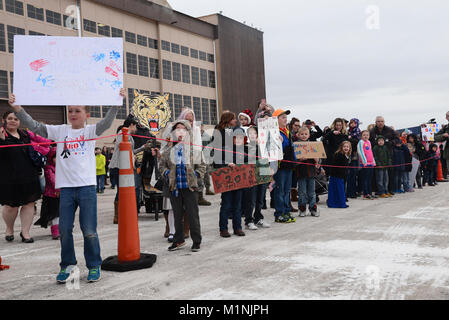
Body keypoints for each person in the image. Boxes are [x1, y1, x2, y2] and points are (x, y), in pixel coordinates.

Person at [8, 88, 126, 283]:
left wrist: (116, 102)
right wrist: (18, 109)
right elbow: (36, 126)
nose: (72, 114)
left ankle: (94, 265)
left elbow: (106, 123)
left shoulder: (90, 131)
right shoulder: (60, 130)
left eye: (77, 111)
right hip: (67, 190)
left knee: (89, 230)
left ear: (86, 115)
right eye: (70, 110)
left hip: (87, 188)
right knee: (64, 230)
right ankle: (68, 265)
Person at [159, 120, 205, 252]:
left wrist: (196, 175)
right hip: (175, 188)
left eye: (183, 129)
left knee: (192, 215)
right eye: (177, 129)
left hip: (190, 187)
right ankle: (178, 240)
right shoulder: (168, 150)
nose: (180, 131)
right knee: (177, 215)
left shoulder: (194, 149)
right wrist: (167, 173)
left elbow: (202, 165)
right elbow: (162, 165)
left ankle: (196, 240)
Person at [0, 111, 42, 243]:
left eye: (16, 119)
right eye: (10, 118)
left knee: (29, 204)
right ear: (4, 120)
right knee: (10, 206)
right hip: (8, 178)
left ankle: (25, 233)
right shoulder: (1, 135)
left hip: (29, 175)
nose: (13, 121)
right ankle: (9, 228)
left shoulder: (25, 134)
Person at [212, 112, 247, 237]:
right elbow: (216, 156)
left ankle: (238, 227)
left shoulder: (234, 134)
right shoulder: (218, 133)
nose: (235, 121)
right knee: (226, 202)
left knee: (238, 202)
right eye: (233, 119)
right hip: (225, 173)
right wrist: (227, 164)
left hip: (237, 172)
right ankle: (223, 229)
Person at [109, 117, 148, 224]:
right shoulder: (122, 133)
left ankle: (120, 214)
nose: (136, 128)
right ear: (131, 125)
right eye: (135, 126)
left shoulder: (128, 135)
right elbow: (122, 146)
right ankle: (117, 215)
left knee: (123, 190)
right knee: (121, 190)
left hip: (124, 166)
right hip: (118, 166)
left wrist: (143, 147)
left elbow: (130, 151)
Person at [178, 108, 211, 206]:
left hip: (194, 156)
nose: (189, 123)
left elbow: (197, 144)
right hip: (181, 158)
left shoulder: (196, 129)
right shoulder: (177, 129)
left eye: (191, 120)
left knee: (198, 176)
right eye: (187, 120)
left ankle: (199, 196)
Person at [272, 109, 297, 223]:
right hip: (280, 166)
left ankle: (286, 211)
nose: (285, 119)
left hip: (289, 164)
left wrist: (295, 161)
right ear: (275, 120)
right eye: (282, 117)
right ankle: (279, 213)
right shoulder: (273, 132)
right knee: (280, 190)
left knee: (287, 190)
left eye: (285, 117)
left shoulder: (287, 131)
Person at [244, 126, 271, 229]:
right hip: (251, 174)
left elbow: (268, 158)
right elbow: (244, 158)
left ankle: (258, 217)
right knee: (251, 199)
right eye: (250, 133)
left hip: (262, 173)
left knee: (260, 198)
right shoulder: (245, 147)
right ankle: (248, 220)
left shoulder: (263, 146)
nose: (252, 135)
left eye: (254, 133)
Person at [34, 147, 61, 240]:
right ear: (51, 158)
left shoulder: (63, 168)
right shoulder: (49, 168)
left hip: (62, 195)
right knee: (55, 214)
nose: (58, 160)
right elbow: (52, 180)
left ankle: (62, 228)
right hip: (52, 195)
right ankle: (55, 232)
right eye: (55, 157)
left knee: (61, 213)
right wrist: (59, 189)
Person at [295, 127, 319, 217]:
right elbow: (295, 160)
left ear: (309, 135)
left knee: (312, 192)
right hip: (301, 173)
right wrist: (300, 159)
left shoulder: (312, 145)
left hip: (311, 173)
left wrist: (315, 159)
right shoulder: (296, 145)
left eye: (306, 134)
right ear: (298, 135)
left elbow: (317, 159)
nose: (304, 136)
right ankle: (302, 209)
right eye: (302, 134)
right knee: (302, 192)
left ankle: (313, 209)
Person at [327, 141, 351, 208]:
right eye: (344, 146)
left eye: (347, 147)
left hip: (342, 175)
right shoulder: (338, 154)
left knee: (341, 189)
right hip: (336, 175)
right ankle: (338, 203)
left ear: (349, 148)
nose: (346, 148)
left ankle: (340, 202)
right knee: (338, 190)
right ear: (341, 147)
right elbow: (336, 165)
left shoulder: (346, 155)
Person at [357, 130, 376, 200]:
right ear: (361, 136)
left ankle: (370, 193)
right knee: (365, 179)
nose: (366, 136)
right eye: (364, 135)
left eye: (367, 135)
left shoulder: (369, 142)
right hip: (365, 164)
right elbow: (360, 152)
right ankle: (365, 194)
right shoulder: (361, 142)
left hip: (371, 163)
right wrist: (364, 161)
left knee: (370, 179)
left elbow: (370, 152)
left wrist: (373, 161)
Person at [346, 118, 361, 199]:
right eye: (351, 123)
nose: (352, 124)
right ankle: (349, 192)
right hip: (349, 153)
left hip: (355, 153)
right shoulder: (348, 131)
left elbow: (356, 141)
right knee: (349, 175)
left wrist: (350, 138)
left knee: (354, 174)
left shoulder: (357, 130)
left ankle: (353, 192)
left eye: (354, 123)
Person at [288, 118, 301, 208]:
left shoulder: (298, 135)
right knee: (288, 184)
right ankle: (288, 204)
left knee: (294, 182)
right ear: (292, 125)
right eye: (296, 125)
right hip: (289, 161)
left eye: (298, 125)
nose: (297, 127)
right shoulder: (289, 133)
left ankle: (293, 198)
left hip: (296, 161)